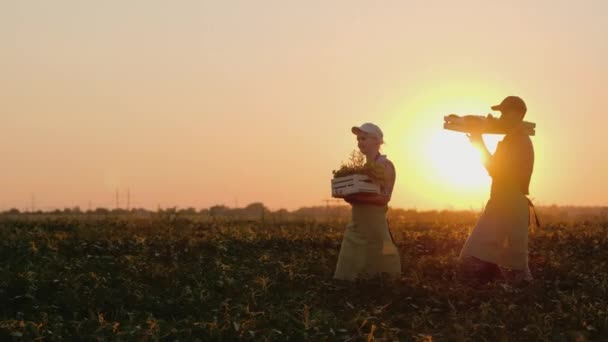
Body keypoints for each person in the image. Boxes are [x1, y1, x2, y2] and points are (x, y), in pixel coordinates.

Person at [459, 96, 536, 285]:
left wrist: (478, 142)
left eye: (504, 113)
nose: (500, 117)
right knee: (506, 262)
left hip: (508, 203)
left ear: (517, 114)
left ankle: (509, 298)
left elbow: (495, 170)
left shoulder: (519, 141)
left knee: (475, 259)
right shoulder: (513, 139)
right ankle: (501, 294)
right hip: (505, 202)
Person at [333, 123, 402, 281]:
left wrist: (355, 197)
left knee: (381, 259)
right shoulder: (362, 169)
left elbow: (384, 198)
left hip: (375, 224)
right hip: (357, 222)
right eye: (358, 139)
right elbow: (360, 195)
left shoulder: (386, 165)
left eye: (364, 138)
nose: (360, 142)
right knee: (349, 260)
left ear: (377, 141)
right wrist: (348, 195)